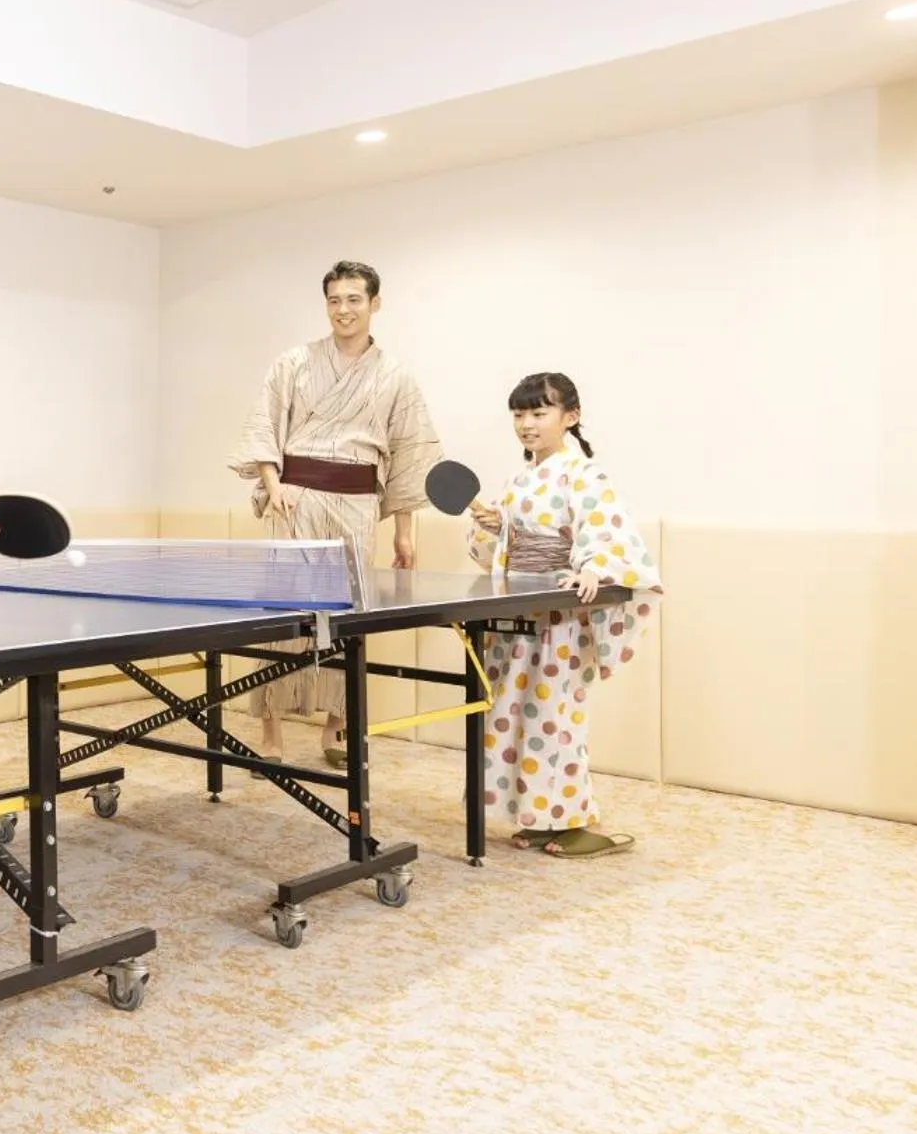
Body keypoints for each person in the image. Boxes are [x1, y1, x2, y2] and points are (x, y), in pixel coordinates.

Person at [227, 260, 441, 765]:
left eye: (353, 299)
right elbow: (265, 422)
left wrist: (404, 533)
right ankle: (271, 733)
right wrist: (273, 483)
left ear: (374, 304)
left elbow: (408, 452)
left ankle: (335, 730)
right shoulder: (294, 363)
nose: (343, 309)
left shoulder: (396, 376)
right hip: (296, 497)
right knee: (283, 616)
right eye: (334, 300)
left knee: (346, 617)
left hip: (357, 505)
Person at [466, 372, 661, 858]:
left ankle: (569, 822)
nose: (526, 424)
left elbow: (604, 534)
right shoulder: (518, 480)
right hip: (516, 616)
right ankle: (535, 818)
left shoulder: (585, 474)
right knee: (512, 713)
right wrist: (495, 529)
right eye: (518, 414)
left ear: (569, 417)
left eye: (538, 413)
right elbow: (500, 551)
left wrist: (594, 568)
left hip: (558, 617)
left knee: (555, 719)